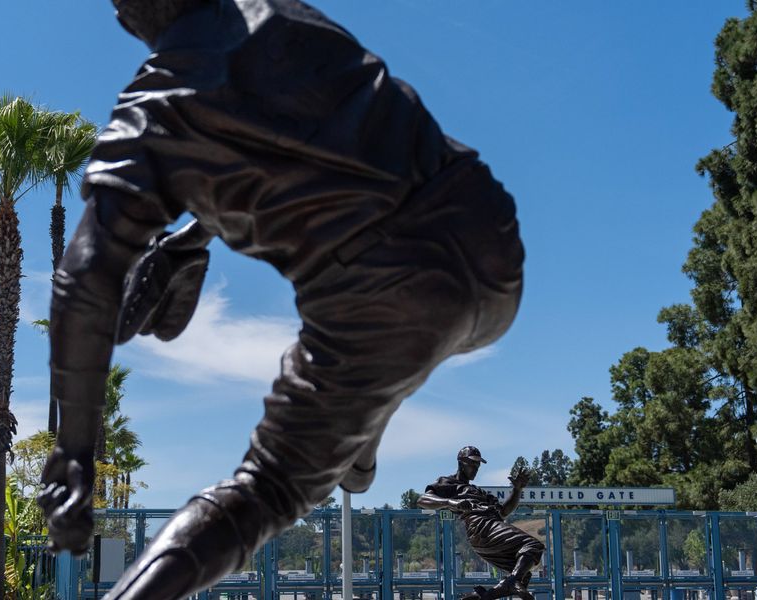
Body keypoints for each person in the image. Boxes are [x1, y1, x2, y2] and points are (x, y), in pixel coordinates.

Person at [36, 0, 526, 598]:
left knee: (264, 490)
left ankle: (364, 417)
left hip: (386, 301)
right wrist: (191, 238)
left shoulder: (156, 108)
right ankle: (363, 424)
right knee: (376, 369)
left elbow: (84, 279)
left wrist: (75, 449)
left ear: (128, 18)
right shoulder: (287, 16)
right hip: (490, 241)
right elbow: (302, 137)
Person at [417, 447, 544, 600]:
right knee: (533, 546)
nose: (476, 468)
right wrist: (450, 502)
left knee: (522, 574)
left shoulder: (479, 492)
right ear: (461, 463)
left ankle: (481, 596)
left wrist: (517, 490)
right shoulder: (448, 482)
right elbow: (422, 500)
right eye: (472, 464)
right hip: (481, 526)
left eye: (478, 465)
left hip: (489, 530)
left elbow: (503, 512)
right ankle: (509, 583)